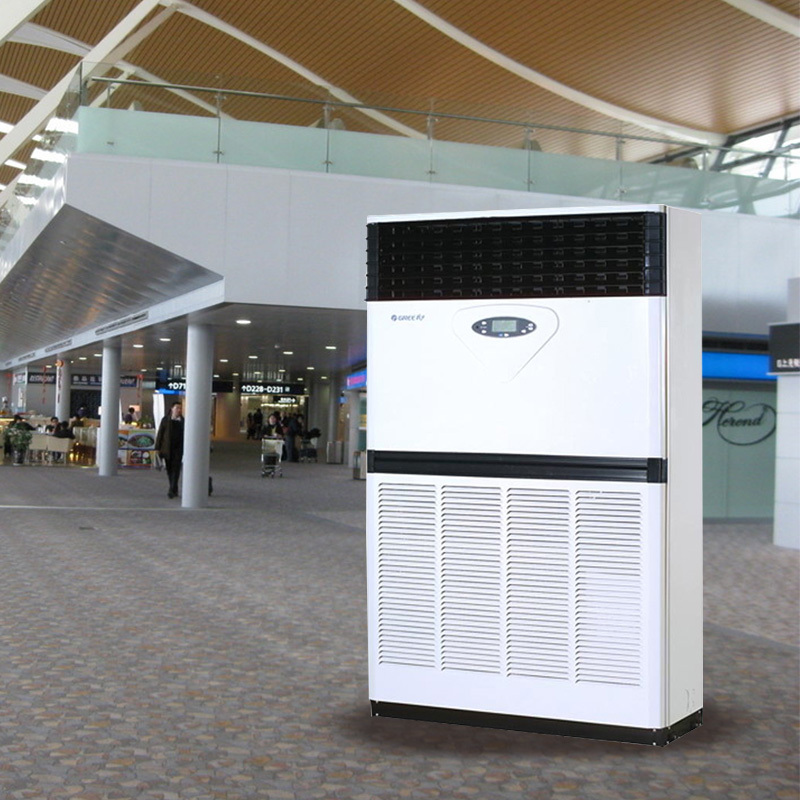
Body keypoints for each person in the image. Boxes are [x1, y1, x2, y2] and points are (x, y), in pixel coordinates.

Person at [155, 401, 184, 499]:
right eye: (177, 408)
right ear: (172, 409)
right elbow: (160, 434)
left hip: (178, 449)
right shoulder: (166, 420)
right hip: (167, 449)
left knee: (176, 469)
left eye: (180, 408)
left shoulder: (183, 421)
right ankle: (174, 487)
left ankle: (171, 489)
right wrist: (157, 448)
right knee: (169, 469)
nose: (179, 410)